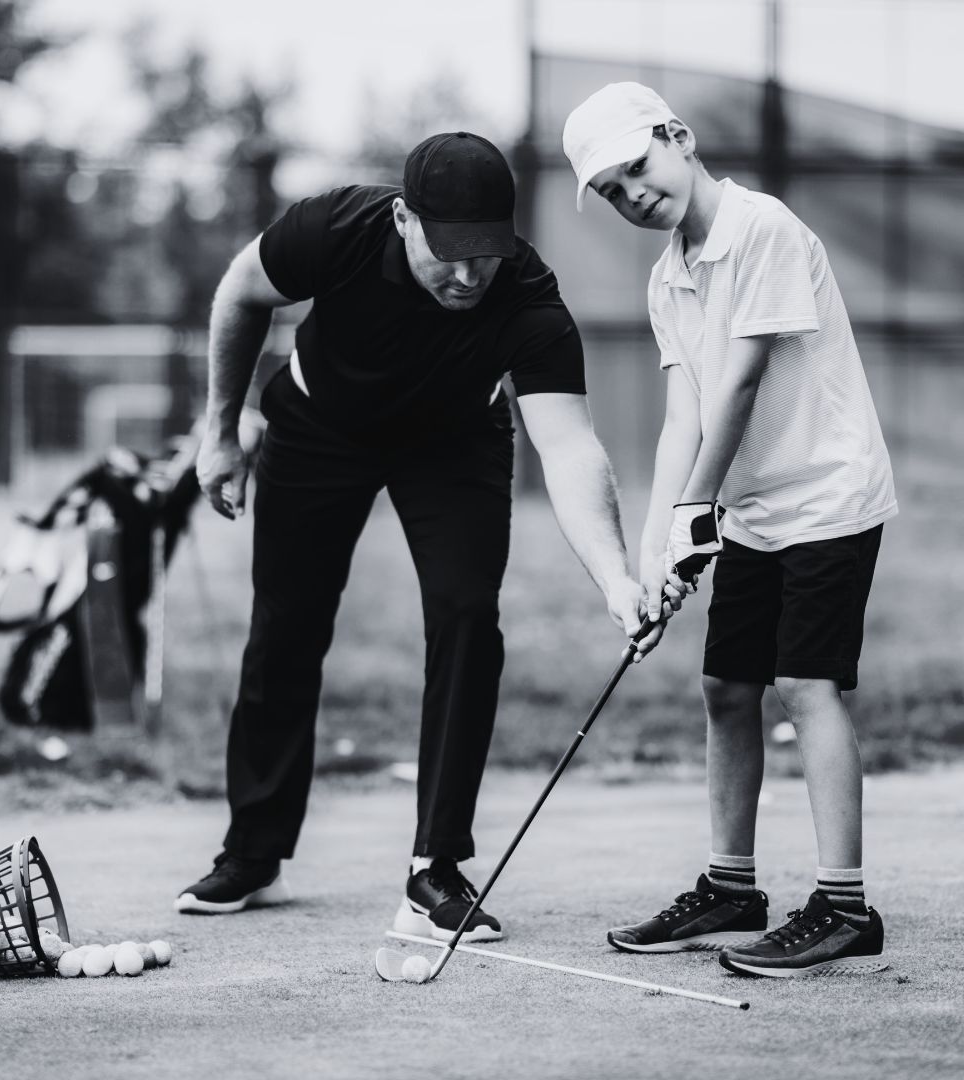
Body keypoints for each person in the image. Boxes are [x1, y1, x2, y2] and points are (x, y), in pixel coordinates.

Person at [176, 131, 681, 941]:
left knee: (466, 616)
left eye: (486, 253)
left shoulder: (526, 296)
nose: (470, 274)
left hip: (452, 445)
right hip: (319, 427)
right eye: (450, 252)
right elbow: (241, 293)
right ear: (405, 219)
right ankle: (254, 852)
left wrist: (617, 578)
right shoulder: (334, 228)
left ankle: (435, 867)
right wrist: (220, 433)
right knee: (286, 626)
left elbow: (570, 445)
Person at [563, 84, 898, 977]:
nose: (634, 195)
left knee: (805, 683)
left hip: (826, 494)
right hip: (751, 510)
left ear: (679, 138)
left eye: (637, 168)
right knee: (725, 687)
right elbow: (685, 417)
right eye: (612, 192)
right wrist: (650, 559)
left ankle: (842, 905)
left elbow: (741, 387)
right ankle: (731, 887)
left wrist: (694, 513)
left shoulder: (765, 230)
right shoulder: (667, 273)